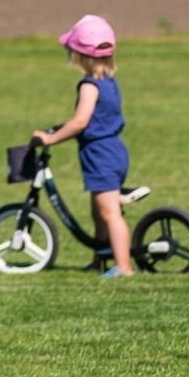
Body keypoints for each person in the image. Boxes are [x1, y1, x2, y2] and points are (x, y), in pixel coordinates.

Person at [32, 15, 133, 279]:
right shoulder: (110, 82)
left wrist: (50, 138)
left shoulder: (89, 86)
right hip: (114, 150)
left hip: (100, 154)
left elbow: (80, 122)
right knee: (99, 211)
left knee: (109, 213)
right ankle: (99, 259)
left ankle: (123, 266)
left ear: (79, 55)